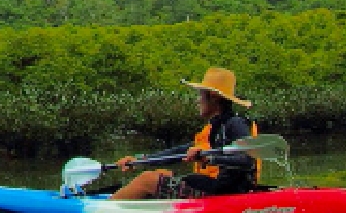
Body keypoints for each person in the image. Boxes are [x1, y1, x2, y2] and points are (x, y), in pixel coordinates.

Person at [110, 66, 257, 200]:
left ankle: (102, 211)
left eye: (201, 95)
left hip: (227, 196)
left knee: (148, 180)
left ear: (213, 96)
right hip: (218, 188)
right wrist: (138, 160)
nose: (198, 101)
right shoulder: (217, 127)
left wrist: (210, 158)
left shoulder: (235, 123)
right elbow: (178, 151)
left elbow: (247, 160)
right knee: (162, 174)